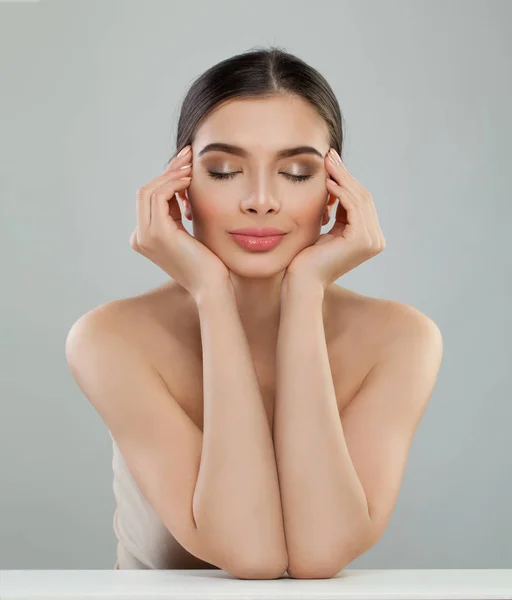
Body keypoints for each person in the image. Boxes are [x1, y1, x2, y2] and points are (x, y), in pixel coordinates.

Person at [65, 45, 443, 579]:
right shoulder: (111, 338)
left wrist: (307, 290)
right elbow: (251, 554)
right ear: (184, 189)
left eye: (295, 172)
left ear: (335, 193)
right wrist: (211, 294)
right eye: (222, 170)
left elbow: (319, 553)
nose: (261, 199)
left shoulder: (402, 340)